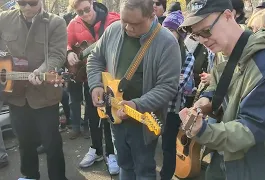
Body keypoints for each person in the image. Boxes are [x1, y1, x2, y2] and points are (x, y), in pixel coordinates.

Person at [178, 0, 265, 179]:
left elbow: (251, 129)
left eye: (206, 30)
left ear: (229, 15)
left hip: (254, 168)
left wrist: (203, 131)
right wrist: (205, 99)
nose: (203, 40)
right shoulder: (223, 50)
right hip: (224, 160)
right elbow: (218, 84)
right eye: (195, 35)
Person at [87, 0, 181, 179]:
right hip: (115, 114)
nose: (128, 28)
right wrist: (96, 85)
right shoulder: (114, 30)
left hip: (143, 122)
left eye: (135, 24)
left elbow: (168, 86)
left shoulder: (167, 42)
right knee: (124, 165)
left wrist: (137, 105)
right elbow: (95, 58)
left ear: (152, 15)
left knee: (144, 169)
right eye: (124, 21)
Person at [0, 0, 68, 179]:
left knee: (51, 142)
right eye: (22, 2)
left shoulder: (56, 23)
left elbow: (57, 54)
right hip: (15, 94)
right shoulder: (3, 19)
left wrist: (42, 71)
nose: (27, 7)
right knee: (24, 141)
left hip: (44, 95)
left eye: (32, 2)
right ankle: (29, 175)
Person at [66, 0, 120, 174]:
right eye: (79, 12)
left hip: (112, 79)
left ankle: (112, 153)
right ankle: (96, 149)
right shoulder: (74, 24)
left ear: (93, 3)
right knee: (92, 115)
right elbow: (67, 43)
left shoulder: (113, 20)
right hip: (90, 79)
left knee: (110, 116)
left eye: (87, 9)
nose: (84, 15)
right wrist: (69, 53)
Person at [160, 10, 195, 180]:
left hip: (173, 109)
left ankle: (166, 176)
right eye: (164, 29)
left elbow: (176, 86)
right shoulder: (156, 51)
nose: (165, 34)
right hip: (152, 106)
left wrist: (162, 81)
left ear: (179, 34)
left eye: (170, 30)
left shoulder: (187, 57)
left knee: (168, 146)